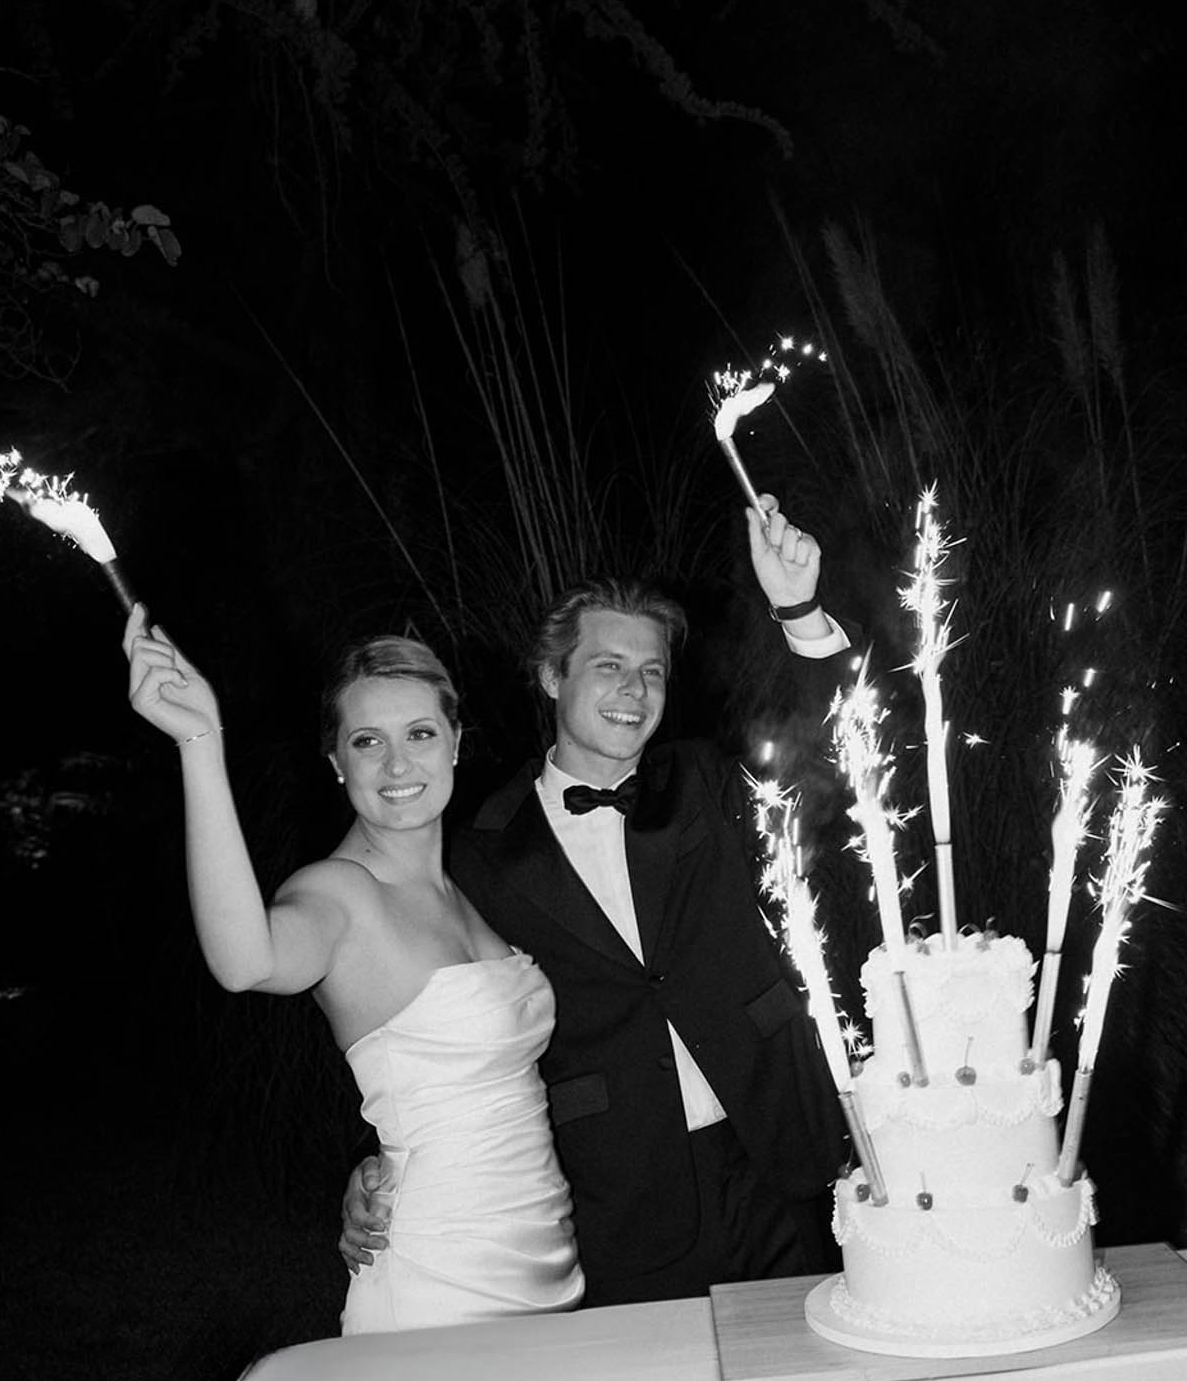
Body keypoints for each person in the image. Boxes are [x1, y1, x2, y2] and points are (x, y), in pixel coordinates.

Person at [341, 494, 853, 1306]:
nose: (634, 689)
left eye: (651, 671)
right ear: (551, 675)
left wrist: (799, 606)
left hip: (783, 1160)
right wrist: (378, 1162)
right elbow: (425, 1018)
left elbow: (840, 737)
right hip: (618, 1195)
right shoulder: (478, 851)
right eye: (608, 666)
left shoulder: (708, 782)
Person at [123, 612, 583, 1331]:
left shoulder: (466, 892)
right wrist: (199, 744)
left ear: (456, 743)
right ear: (336, 761)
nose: (397, 766)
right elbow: (246, 961)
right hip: (437, 1288)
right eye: (367, 742)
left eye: (420, 734)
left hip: (549, 1273)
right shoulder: (337, 894)